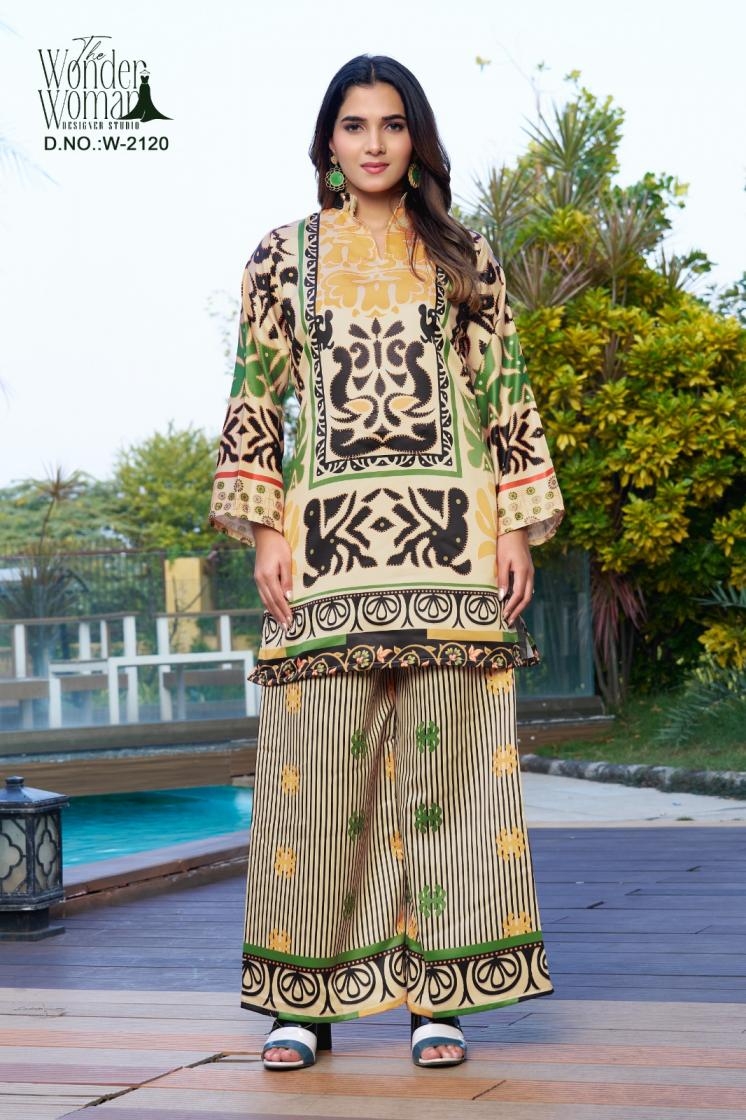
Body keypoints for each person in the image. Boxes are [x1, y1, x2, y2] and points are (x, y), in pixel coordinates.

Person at [209, 53, 564, 1071]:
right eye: (355, 124)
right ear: (328, 140)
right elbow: (255, 390)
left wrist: (513, 524)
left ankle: (436, 998)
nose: (374, 143)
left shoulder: (462, 254)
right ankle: (303, 1003)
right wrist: (266, 529)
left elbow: (502, 387)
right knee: (316, 774)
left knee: (449, 772)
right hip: (324, 553)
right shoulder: (281, 257)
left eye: (393, 124)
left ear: (417, 139)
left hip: (455, 546)